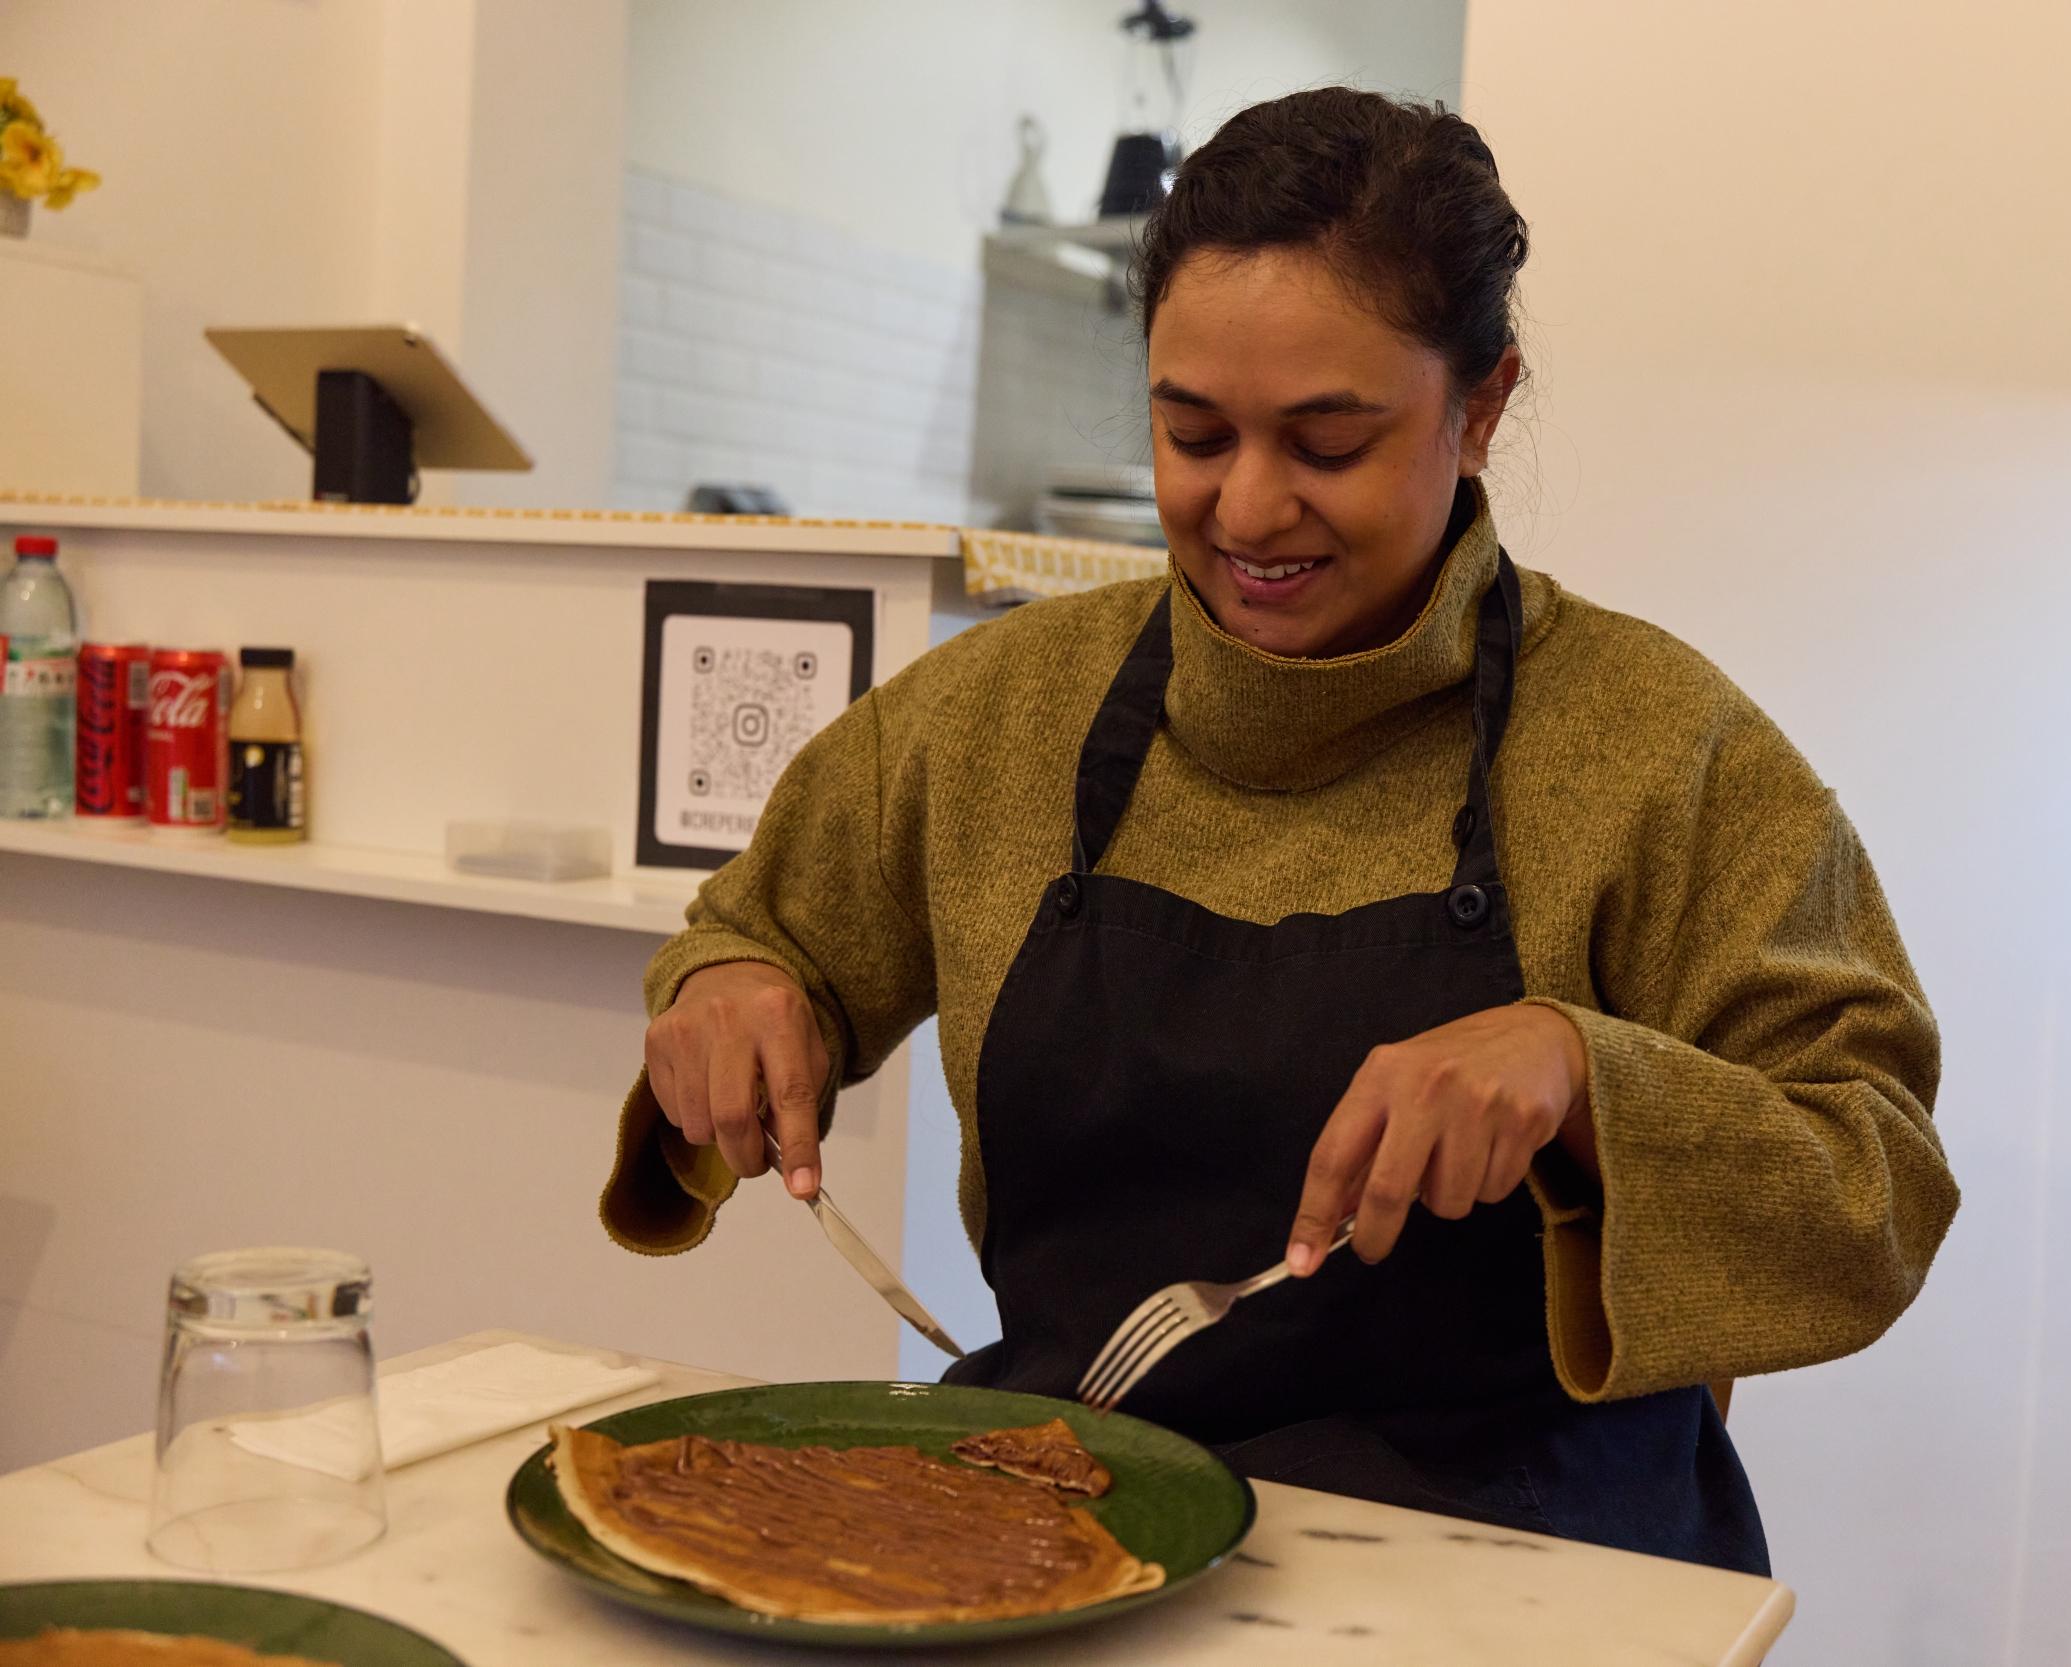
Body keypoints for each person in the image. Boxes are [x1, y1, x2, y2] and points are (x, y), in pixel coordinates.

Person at [601, 86, 1958, 1575]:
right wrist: (728, 996)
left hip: (1530, 1575)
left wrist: (1582, 1076)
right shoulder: (995, 716)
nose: (1248, 508)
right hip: (1075, 1535)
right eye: (1194, 434)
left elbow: (1872, 1176)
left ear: (1481, 406)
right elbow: (757, 937)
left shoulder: (1658, 751)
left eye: (1327, 442)